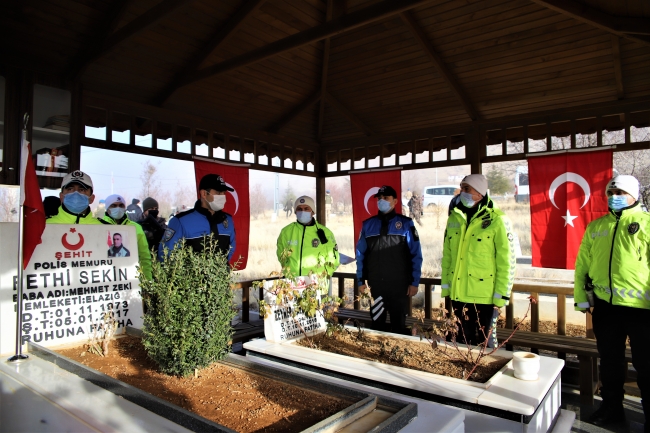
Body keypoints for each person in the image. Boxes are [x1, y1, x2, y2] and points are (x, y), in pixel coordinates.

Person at [574, 175, 649, 430]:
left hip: (642, 310)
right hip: (606, 308)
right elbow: (582, 265)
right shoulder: (596, 226)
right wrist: (581, 298)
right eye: (610, 192)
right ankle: (611, 408)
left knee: (647, 364)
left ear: (633, 195)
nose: (614, 196)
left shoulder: (646, 224)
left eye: (619, 192)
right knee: (610, 361)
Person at [441, 174, 515, 348]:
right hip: (459, 294)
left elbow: (507, 262)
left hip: (486, 298)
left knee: (486, 344)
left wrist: (501, 296)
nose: (462, 193)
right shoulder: (454, 218)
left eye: (467, 189)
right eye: (462, 188)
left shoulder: (498, 220)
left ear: (480, 192)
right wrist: (446, 287)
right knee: (461, 343)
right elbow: (448, 257)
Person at [356, 185, 422, 335]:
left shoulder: (406, 224)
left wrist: (414, 282)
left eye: (386, 198)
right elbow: (360, 254)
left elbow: (416, 254)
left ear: (395, 201)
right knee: (377, 324)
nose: (382, 201)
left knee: (398, 326)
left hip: (399, 286)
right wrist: (360, 281)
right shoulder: (368, 224)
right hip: (376, 285)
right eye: (379, 199)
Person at [159, 174, 236, 261]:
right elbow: (166, 254)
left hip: (220, 274)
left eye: (224, 193)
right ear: (204, 193)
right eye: (218, 192)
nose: (223, 196)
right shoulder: (181, 221)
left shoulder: (227, 220)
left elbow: (231, 249)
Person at [276, 196, 340, 278]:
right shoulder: (286, 232)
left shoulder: (325, 232)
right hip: (292, 283)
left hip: (316, 284)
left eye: (306, 209)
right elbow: (281, 255)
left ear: (312, 212)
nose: (302, 211)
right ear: (295, 211)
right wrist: (288, 271)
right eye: (299, 209)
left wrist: (323, 276)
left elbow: (333, 258)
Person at [101, 194, 152, 280]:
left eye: (121, 205)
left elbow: (144, 256)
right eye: (113, 205)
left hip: (130, 278)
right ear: (107, 208)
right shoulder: (99, 226)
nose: (118, 208)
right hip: (106, 278)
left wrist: (148, 280)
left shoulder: (136, 228)